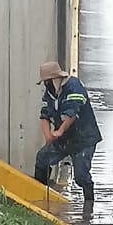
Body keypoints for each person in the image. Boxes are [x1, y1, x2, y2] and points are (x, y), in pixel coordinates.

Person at [35, 60, 102, 204]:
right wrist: (48, 136)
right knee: (42, 158)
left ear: (55, 79)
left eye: (47, 82)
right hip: (64, 139)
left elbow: (72, 113)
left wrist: (59, 131)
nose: (46, 86)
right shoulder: (50, 93)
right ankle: (40, 197)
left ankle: (89, 204)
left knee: (81, 176)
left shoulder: (74, 87)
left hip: (83, 139)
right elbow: (44, 114)